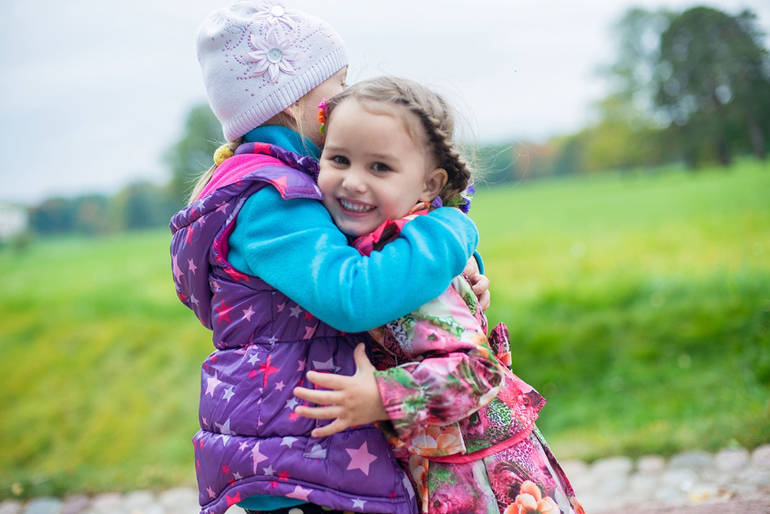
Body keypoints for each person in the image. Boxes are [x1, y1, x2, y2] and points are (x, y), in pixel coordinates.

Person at [170, 3, 487, 514]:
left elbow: (379, 243)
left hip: (299, 443)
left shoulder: (293, 183)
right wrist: (451, 233)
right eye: (336, 85)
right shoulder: (273, 202)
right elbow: (353, 294)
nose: (345, 98)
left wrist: (455, 274)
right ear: (294, 103)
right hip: (300, 450)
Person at [292, 77, 585, 514]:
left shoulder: (405, 265)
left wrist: (382, 397)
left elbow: (476, 371)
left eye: (379, 168)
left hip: (482, 477)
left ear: (429, 185)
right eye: (339, 159)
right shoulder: (381, 248)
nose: (352, 181)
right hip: (447, 464)